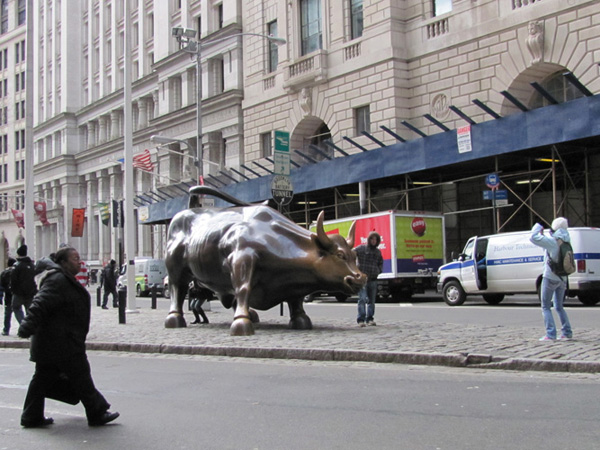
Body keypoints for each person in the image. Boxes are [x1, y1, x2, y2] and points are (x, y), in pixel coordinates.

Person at [17, 246, 119, 428]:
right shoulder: (57, 280)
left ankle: (31, 416)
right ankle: (96, 412)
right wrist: (26, 326)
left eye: (79, 258)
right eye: (75, 258)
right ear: (63, 262)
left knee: (42, 379)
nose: (79, 262)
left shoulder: (63, 278)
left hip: (58, 341)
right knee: (81, 376)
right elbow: (40, 304)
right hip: (62, 342)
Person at [530, 217, 573, 341]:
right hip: (562, 278)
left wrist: (538, 226)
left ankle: (550, 334)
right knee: (559, 306)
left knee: (545, 307)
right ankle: (567, 332)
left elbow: (533, 238)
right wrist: (544, 236)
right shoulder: (566, 240)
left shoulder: (552, 241)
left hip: (550, 277)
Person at [354, 231, 383, 327]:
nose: (374, 241)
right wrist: (355, 269)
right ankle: (361, 320)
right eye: (372, 239)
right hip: (363, 280)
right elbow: (352, 252)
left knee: (371, 301)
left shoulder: (378, 252)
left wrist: (378, 271)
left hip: (373, 279)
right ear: (369, 239)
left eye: (375, 239)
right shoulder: (361, 249)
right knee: (362, 299)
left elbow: (380, 263)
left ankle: (370, 319)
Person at [10, 245, 37, 324]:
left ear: (18, 254)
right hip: (30, 292)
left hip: (19, 293)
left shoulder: (17, 265)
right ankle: (30, 325)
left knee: (16, 307)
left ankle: (23, 323)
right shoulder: (32, 265)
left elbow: (13, 279)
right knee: (30, 310)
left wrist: (13, 290)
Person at [1, 257, 16, 336]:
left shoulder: (4, 273)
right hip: (17, 294)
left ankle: (6, 330)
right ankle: (23, 326)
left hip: (8, 296)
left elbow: (1, 286)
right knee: (19, 312)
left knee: (7, 314)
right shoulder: (16, 271)